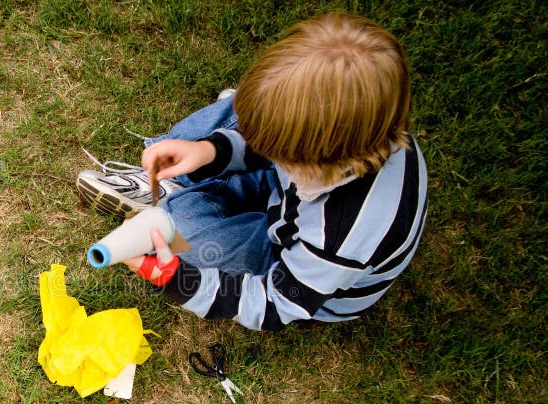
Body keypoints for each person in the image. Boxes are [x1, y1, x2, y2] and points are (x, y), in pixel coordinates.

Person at [76, 12, 427, 331]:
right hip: (291, 190)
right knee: (236, 116)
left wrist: (175, 280)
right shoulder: (354, 132)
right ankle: (182, 180)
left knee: (186, 249)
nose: (264, 147)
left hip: (290, 261)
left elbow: (276, 304)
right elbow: (265, 144)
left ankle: (178, 196)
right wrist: (206, 151)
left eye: (276, 149)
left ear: (319, 157)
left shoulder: (339, 238)